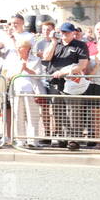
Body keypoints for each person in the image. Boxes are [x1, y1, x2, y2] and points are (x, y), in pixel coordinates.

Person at [41, 21, 90, 149]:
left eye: (67, 32)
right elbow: (46, 58)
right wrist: (53, 42)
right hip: (55, 82)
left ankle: (74, 139)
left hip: (72, 82)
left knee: (73, 111)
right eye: (62, 32)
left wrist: (64, 72)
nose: (64, 34)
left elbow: (82, 64)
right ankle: (61, 136)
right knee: (57, 110)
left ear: (73, 33)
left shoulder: (80, 45)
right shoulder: (55, 44)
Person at [2, 32, 46, 147]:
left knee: (33, 116)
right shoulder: (13, 60)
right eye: (17, 47)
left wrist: (27, 69)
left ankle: (33, 141)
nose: (18, 49)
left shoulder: (35, 60)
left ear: (27, 49)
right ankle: (20, 140)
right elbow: (8, 76)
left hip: (31, 92)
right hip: (16, 92)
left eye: (21, 47)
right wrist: (19, 70)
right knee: (18, 116)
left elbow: (39, 75)